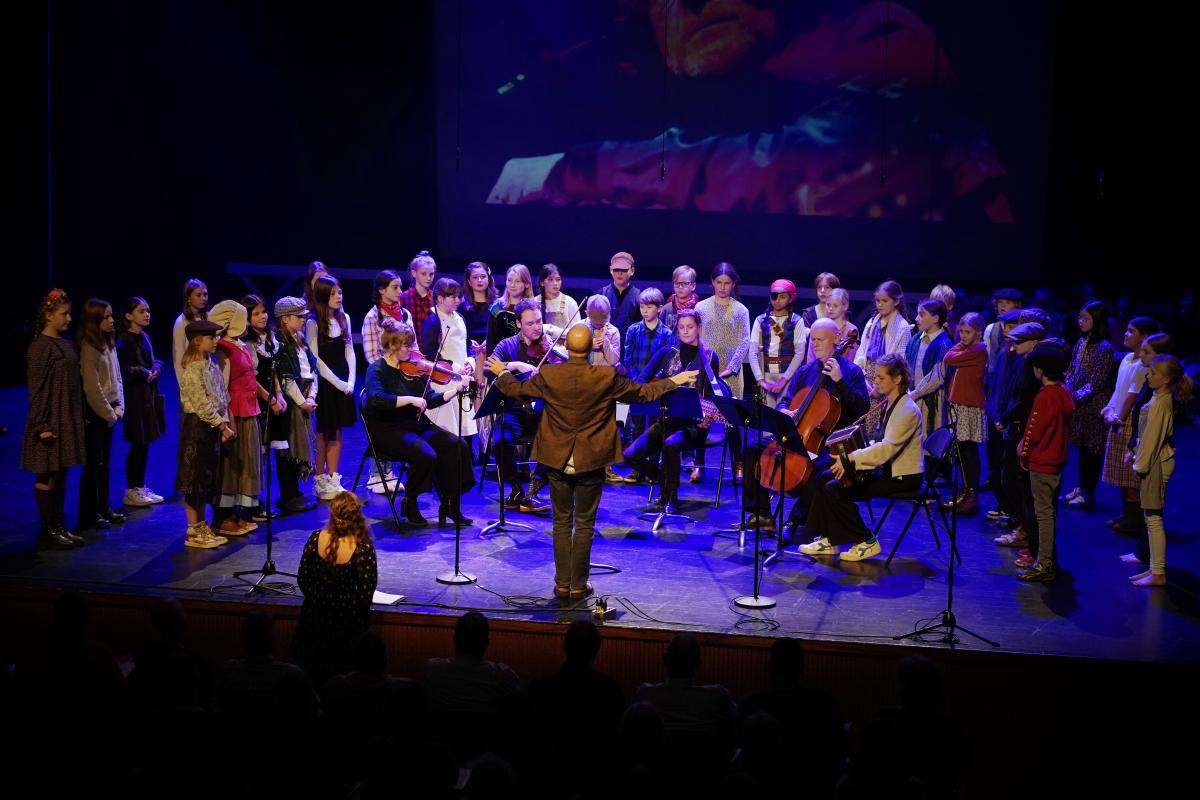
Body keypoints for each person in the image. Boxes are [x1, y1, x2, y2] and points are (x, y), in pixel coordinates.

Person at [489, 324, 693, 598]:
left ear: (566, 347)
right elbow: (643, 393)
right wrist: (674, 381)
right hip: (591, 459)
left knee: (561, 523)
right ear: (589, 349)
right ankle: (577, 586)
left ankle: (562, 584)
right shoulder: (606, 376)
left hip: (557, 459)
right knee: (584, 523)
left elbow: (517, 390)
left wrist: (501, 373)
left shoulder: (549, 373)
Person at [747, 317, 870, 537]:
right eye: (813, 339)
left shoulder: (852, 372)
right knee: (752, 448)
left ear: (837, 339)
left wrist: (840, 382)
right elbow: (787, 399)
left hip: (832, 443)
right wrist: (784, 409)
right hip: (800, 435)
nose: (815, 344)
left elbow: (862, 409)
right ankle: (762, 513)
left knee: (817, 466)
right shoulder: (805, 372)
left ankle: (796, 518)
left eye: (821, 339)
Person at [797, 353, 924, 562]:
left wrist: (851, 459)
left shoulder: (907, 410)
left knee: (835, 489)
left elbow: (887, 449)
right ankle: (830, 538)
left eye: (881, 377)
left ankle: (866, 539)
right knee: (823, 477)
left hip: (901, 478)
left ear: (897, 379)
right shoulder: (890, 404)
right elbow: (879, 442)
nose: (876, 381)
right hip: (886, 470)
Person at [364, 325, 474, 526]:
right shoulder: (377, 369)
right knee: (425, 454)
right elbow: (375, 400)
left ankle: (450, 504)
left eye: (411, 343)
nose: (412, 349)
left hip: (415, 425)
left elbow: (429, 399)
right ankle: (410, 501)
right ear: (391, 345)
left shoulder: (413, 368)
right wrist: (410, 400)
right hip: (387, 429)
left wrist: (456, 390)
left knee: (457, 445)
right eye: (407, 345)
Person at [621, 309, 721, 515]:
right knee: (630, 455)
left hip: (695, 425)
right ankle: (663, 481)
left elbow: (713, 395)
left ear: (699, 328)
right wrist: (658, 386)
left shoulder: (710, 357)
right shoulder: (667, 353)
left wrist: (708, 417)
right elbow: (641, 380)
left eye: (690, 327)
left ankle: (671, 496)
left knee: (671, 443)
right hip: (667, 420)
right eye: (681, 327)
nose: (685, 331)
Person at [23, 289, 86, 549]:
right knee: (48, 473)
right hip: (50, 419)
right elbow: (36, 389)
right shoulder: (40, 347)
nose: (69, 318)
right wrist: (41, 425)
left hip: (66, 416)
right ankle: (48, 528)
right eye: (64, 314)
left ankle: (58, 524)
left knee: (60, 473)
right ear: (49, 316)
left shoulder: (64, 342)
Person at [294, 491, 378, 683]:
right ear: (357, 514)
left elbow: (303, 578)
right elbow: (366, 593)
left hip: (313, 622)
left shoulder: (316, 538)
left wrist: (318, 599)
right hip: (348, 628)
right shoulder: (362, 548)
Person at [1128, 355, 1192, 587]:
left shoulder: (1161, 403)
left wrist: (1139, 465)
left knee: (1154, 518)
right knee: (1151, 518)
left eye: (1153, 373)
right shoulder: (1158, 397)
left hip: (1155, 462)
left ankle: (1158, 572)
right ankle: (1154, 569)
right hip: (1153, 460)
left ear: (1166, 379)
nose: (1148, 374)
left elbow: (1152, 440)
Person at [1015, 345, 1074, 583]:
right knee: (1049, 512)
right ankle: (1047, 559)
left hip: (1042, 461)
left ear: (1040, 370)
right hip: (1055, 461)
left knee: (1043, 515)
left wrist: (1024, 452)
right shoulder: (1063, 392)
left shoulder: (1046, 396)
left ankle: (1044, 564)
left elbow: (1034, 430)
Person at [76, 298, 126, 531]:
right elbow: (92, 387)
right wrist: (109, 413)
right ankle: (89, 513)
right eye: (106, 317)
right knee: (93, 464)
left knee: (105, 463)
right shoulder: (89, 346)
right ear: (94, 320)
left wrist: (120, 406)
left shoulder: (109, 342)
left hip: (111, 410)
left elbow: (117, 377)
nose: (112, 320)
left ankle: (103, 507)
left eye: (111, 315)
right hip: (97, 413)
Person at [1062, 300, 1116, 510]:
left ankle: (1089, 491)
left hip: (1094, 406)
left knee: (1092, 450)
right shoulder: (1081, 342)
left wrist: (1072, 397)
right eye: (1080, 317)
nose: (1080, 321)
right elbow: (1071, 370)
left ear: (1097, 320)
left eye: (1085, 318)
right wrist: (1066, 389)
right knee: (1083, 449)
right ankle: (1081, 486)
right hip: (1080, 406)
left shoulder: (1104, 348)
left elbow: (1096, 383)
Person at [116, 297, 166, 508]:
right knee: (138, 442)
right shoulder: (123, 340)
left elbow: (153, 360)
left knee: (145, 442)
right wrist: (143, 372)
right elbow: (122, 369)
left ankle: (140, 486)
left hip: (147, 396)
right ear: (129, 316)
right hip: (134, 397)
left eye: (148, 311)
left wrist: (156, 368)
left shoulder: (145, 336)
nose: (147, 314)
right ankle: (131, 489)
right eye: (141, 311)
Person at [749, 278, 808, 408]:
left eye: (783, 296)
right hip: (766, 376)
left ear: (791, 298)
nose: (777, 300)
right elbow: (752, 352)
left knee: (784, 414)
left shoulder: (796, 321)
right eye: (774, 296)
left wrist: (784, 380)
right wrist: (760, 380)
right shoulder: (761, 320)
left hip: (788, 376)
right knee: (766, 417)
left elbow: (799, 353)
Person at [599, 251, 643, 343]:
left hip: (630, 347)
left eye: (624, 270)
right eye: (616, 269)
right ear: (611, 270)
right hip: (605, 347)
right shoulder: (601, 295)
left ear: (632, 271)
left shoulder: (639, 297)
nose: (619, 273)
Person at [399, 251, 437, 335]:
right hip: (410, 342)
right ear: (414, 273)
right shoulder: (404, 298)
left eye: (431, 274)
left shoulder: (436, 298)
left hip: (431, 343)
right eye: (423, 274)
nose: (428, 278)